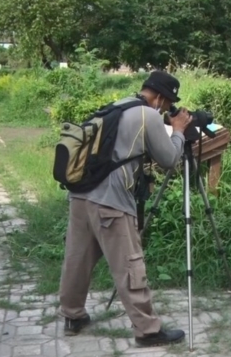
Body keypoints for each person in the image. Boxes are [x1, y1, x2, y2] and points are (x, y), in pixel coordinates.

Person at [58, 70, 192, 347]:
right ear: (159, 97)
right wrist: (178, 131)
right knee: (130, 264)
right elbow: (168, 160)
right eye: (167, 103)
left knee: (77, 258)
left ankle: (73, 316)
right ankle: (148, 331)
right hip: (111, 202)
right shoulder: (148, 115)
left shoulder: (118, 106)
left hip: (81, 195)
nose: (167, 109)